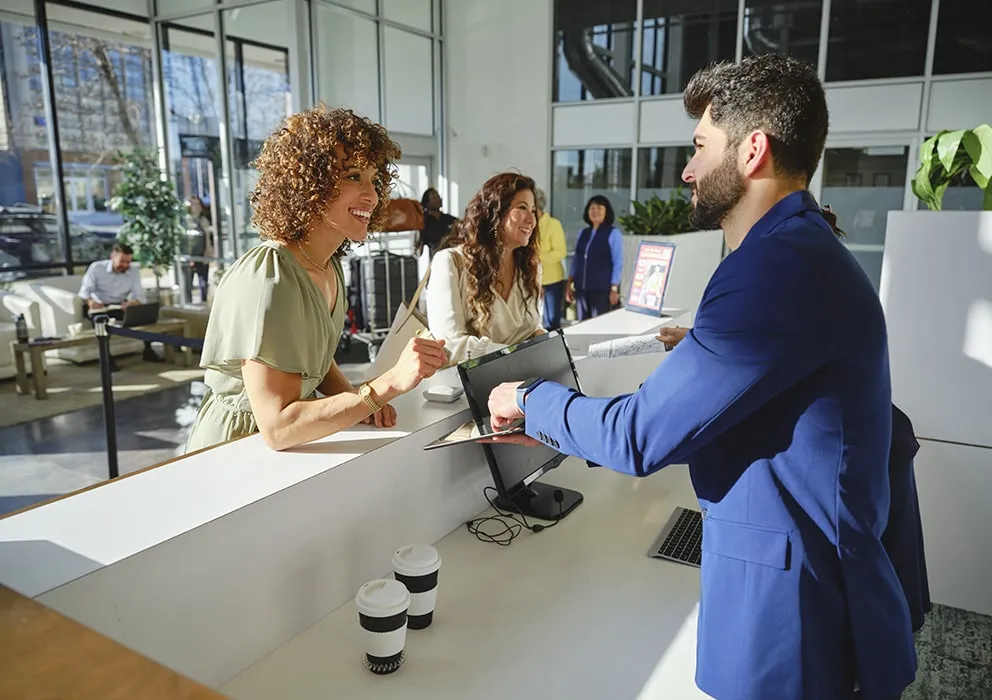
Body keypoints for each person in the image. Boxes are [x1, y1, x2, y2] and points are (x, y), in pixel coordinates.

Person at [485, 54, 916, 699]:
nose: (687, 169)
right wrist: (706, 351)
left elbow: (638, 438)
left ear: (752, 152)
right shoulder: (802, 250)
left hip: (795, 614)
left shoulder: (772, 269)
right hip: (815, 579)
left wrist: (525, 397)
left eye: (699, 146)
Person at [184, 105, 447, 454]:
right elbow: (279, 428)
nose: (371, 195)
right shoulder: (270, 277)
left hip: (290, 451)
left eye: (375, 180)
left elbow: (312, 359)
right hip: (237, 451)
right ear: (308, 182)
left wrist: (354, 400)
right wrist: (386, 386)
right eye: (353, 175)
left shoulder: (327, 265)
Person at [425, 172, 545, 364]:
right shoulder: (450, 263)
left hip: (522, 380)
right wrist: (515, 355)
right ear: (495, 212)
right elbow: (449, 344)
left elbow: (532, 328)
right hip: (470, 387)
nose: (532, 220)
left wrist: (546, 343)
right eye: (522, 208)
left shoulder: (530, 267)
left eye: (533, 210)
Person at [78, 242, 161, 367]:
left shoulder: (133, 272)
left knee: (144, 317)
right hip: (99, 306)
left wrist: (131, 302)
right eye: (122, 261)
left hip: (119, 306)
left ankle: (148, 351)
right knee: (101, 322)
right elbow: (84, 292)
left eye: (128, 262)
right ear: (113, 256)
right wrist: (91, 302)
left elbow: (140, 296)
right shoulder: (96, 268)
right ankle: (106, 360)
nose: (125, 265)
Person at [566, 195, 623, 320]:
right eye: (592, 208)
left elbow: (617, 262)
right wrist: (569, 285)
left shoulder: (613, 233)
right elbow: (576, 260)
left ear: (606, 211)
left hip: (602, 290)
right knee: (583, 326)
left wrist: (614, 288)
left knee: (599, 327)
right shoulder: (583, 233)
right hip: (581, 290)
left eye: (599, 208)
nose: (595, 211)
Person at [534, 188, 567, 330]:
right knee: (535, 322)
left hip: (552, 280)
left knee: (552, 321)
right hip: (532, 279)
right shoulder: (528, 224)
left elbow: (560, 252)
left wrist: (537, 257)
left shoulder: (554, 224)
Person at [182, 195, 214, 303]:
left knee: (204, 282)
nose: (196, 207)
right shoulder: (185, 221)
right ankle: (188, 305)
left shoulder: (204, 220)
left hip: (202, 255)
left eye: (198, 204)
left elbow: (208, 238)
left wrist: (208, 252)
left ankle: (204, 304)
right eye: (193, 204)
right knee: (187, 285)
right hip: (188, 256)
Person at [415, 187, 457, 260]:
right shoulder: (423, 222)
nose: (439, 199)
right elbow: (418, 251)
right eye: (434, 198)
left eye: (439, 197)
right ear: (427, 203)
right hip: (436, 260)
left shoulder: (449, 219)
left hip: (453, 257)